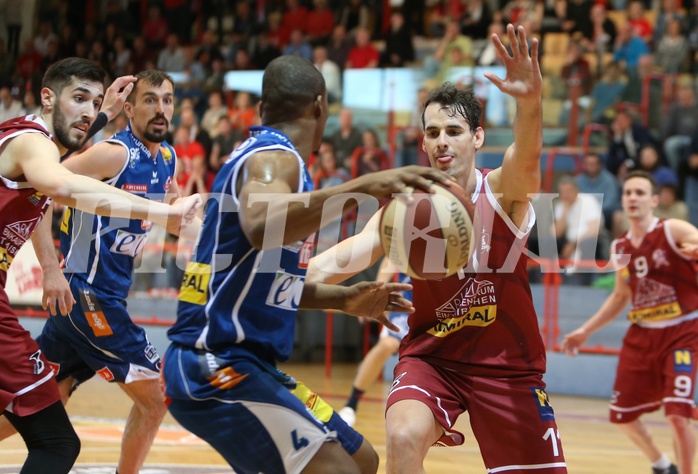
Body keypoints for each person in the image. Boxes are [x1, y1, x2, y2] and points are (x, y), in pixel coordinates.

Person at [161, 55, 451, 474]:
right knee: (338, 470)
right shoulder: (273, 158)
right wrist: (358, 187)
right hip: (212, 363)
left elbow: (264, 284)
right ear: (319, 106)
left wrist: (343, 299)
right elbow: (263, 223)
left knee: (361, 459)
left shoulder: (270, 159)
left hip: (245, 363)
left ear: (264, 108)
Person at [309, 24, 568, 474]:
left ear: (478, 138)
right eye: (432, 132)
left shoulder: (503, 192)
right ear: (424, 142)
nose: (442, 141)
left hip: (507, 366)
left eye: (453, 130)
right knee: (403, 433)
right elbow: (343, 256)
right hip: (433, 357)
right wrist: (270, 280)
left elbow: (526, 161)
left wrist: (529, 102)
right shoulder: (406, 208)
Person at [0, 57, 198, 474]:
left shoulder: (168, 160)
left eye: (168, 100)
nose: (161, 109)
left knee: (42, 406)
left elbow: (176, 213)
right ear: (131, 108)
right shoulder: (111, 152)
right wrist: (52, 268)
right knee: (155, 399)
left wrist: (199, 219)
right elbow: (51, 185)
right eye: (150, 99)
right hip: (88, 295)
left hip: (92, 298)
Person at [562, 170, 698, 474]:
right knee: (622, 416)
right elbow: (620, 297)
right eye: (628, 193)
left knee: (678, 413)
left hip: (682, 333)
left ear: (654, 200)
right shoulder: (620, 247)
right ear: (622, 200)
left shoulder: (673, 230)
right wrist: (586, 330)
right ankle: (662, 465)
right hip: (642, 336)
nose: (633, 198)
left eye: (640, 193)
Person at [337, 262, 411, 428]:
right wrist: (376, 293)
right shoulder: (407, 240)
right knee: (387, 344)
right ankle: (351, 405)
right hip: (410, 300)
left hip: (446, 301)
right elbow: (393, 255)